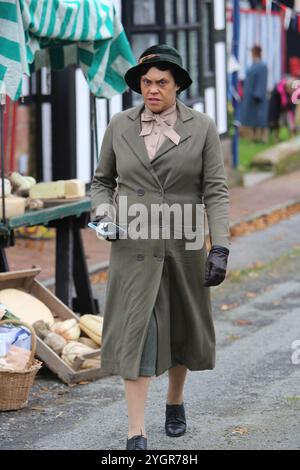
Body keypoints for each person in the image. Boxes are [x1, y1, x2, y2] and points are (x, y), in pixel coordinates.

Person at [91, 44, 230, 450]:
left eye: (161, 83)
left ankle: (175, 399)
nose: (152, 90)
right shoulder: (119, 125)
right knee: (138, 333)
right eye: (146, 83)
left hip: (184, 242)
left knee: (182, 329)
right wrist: (103, 213)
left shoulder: (202, 127)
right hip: (132, 246)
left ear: (177, 86)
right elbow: (102, 181)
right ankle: (136, 431)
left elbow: (216, 190)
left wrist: (219, 246)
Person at [240, 45, 268, 142]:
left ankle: (263, 137)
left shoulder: (262, 66)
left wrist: (258, 94)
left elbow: (262, 81)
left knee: (260, 118)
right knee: (251, 117)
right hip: (249, 95)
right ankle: (253, 137)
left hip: (257, 97)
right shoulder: (252, 65)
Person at [268, 77, 297, 142]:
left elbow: (293, 105)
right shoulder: (277, 91)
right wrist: (274, 118)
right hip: (278, 110)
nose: (291, 91)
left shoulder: (293, 91)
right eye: (290, 90)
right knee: (278, 123)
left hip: (287, 109)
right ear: (287, 88)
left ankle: (292, 137)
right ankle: (276, 138)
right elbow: (274, 106)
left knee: (290, 122)